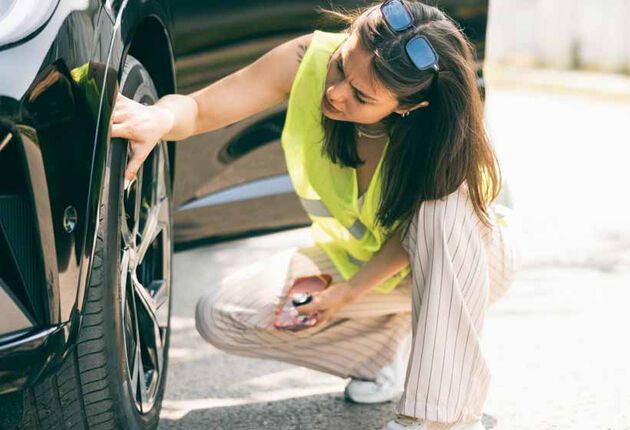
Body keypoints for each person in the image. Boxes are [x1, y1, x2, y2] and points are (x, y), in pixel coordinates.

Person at [111, 1, 518, 429]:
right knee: (223, 316)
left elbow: (426, 236)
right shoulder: (309, 59)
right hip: (363, 262)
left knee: (443, 206)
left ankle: (438, 417)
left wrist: (351, 293)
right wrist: (157, 116)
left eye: (361, 96)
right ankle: (380, 350)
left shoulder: (441, 136)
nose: (336, 92)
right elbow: (202, 109)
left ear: (407, 107)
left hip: (469, 261)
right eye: (342, 66)